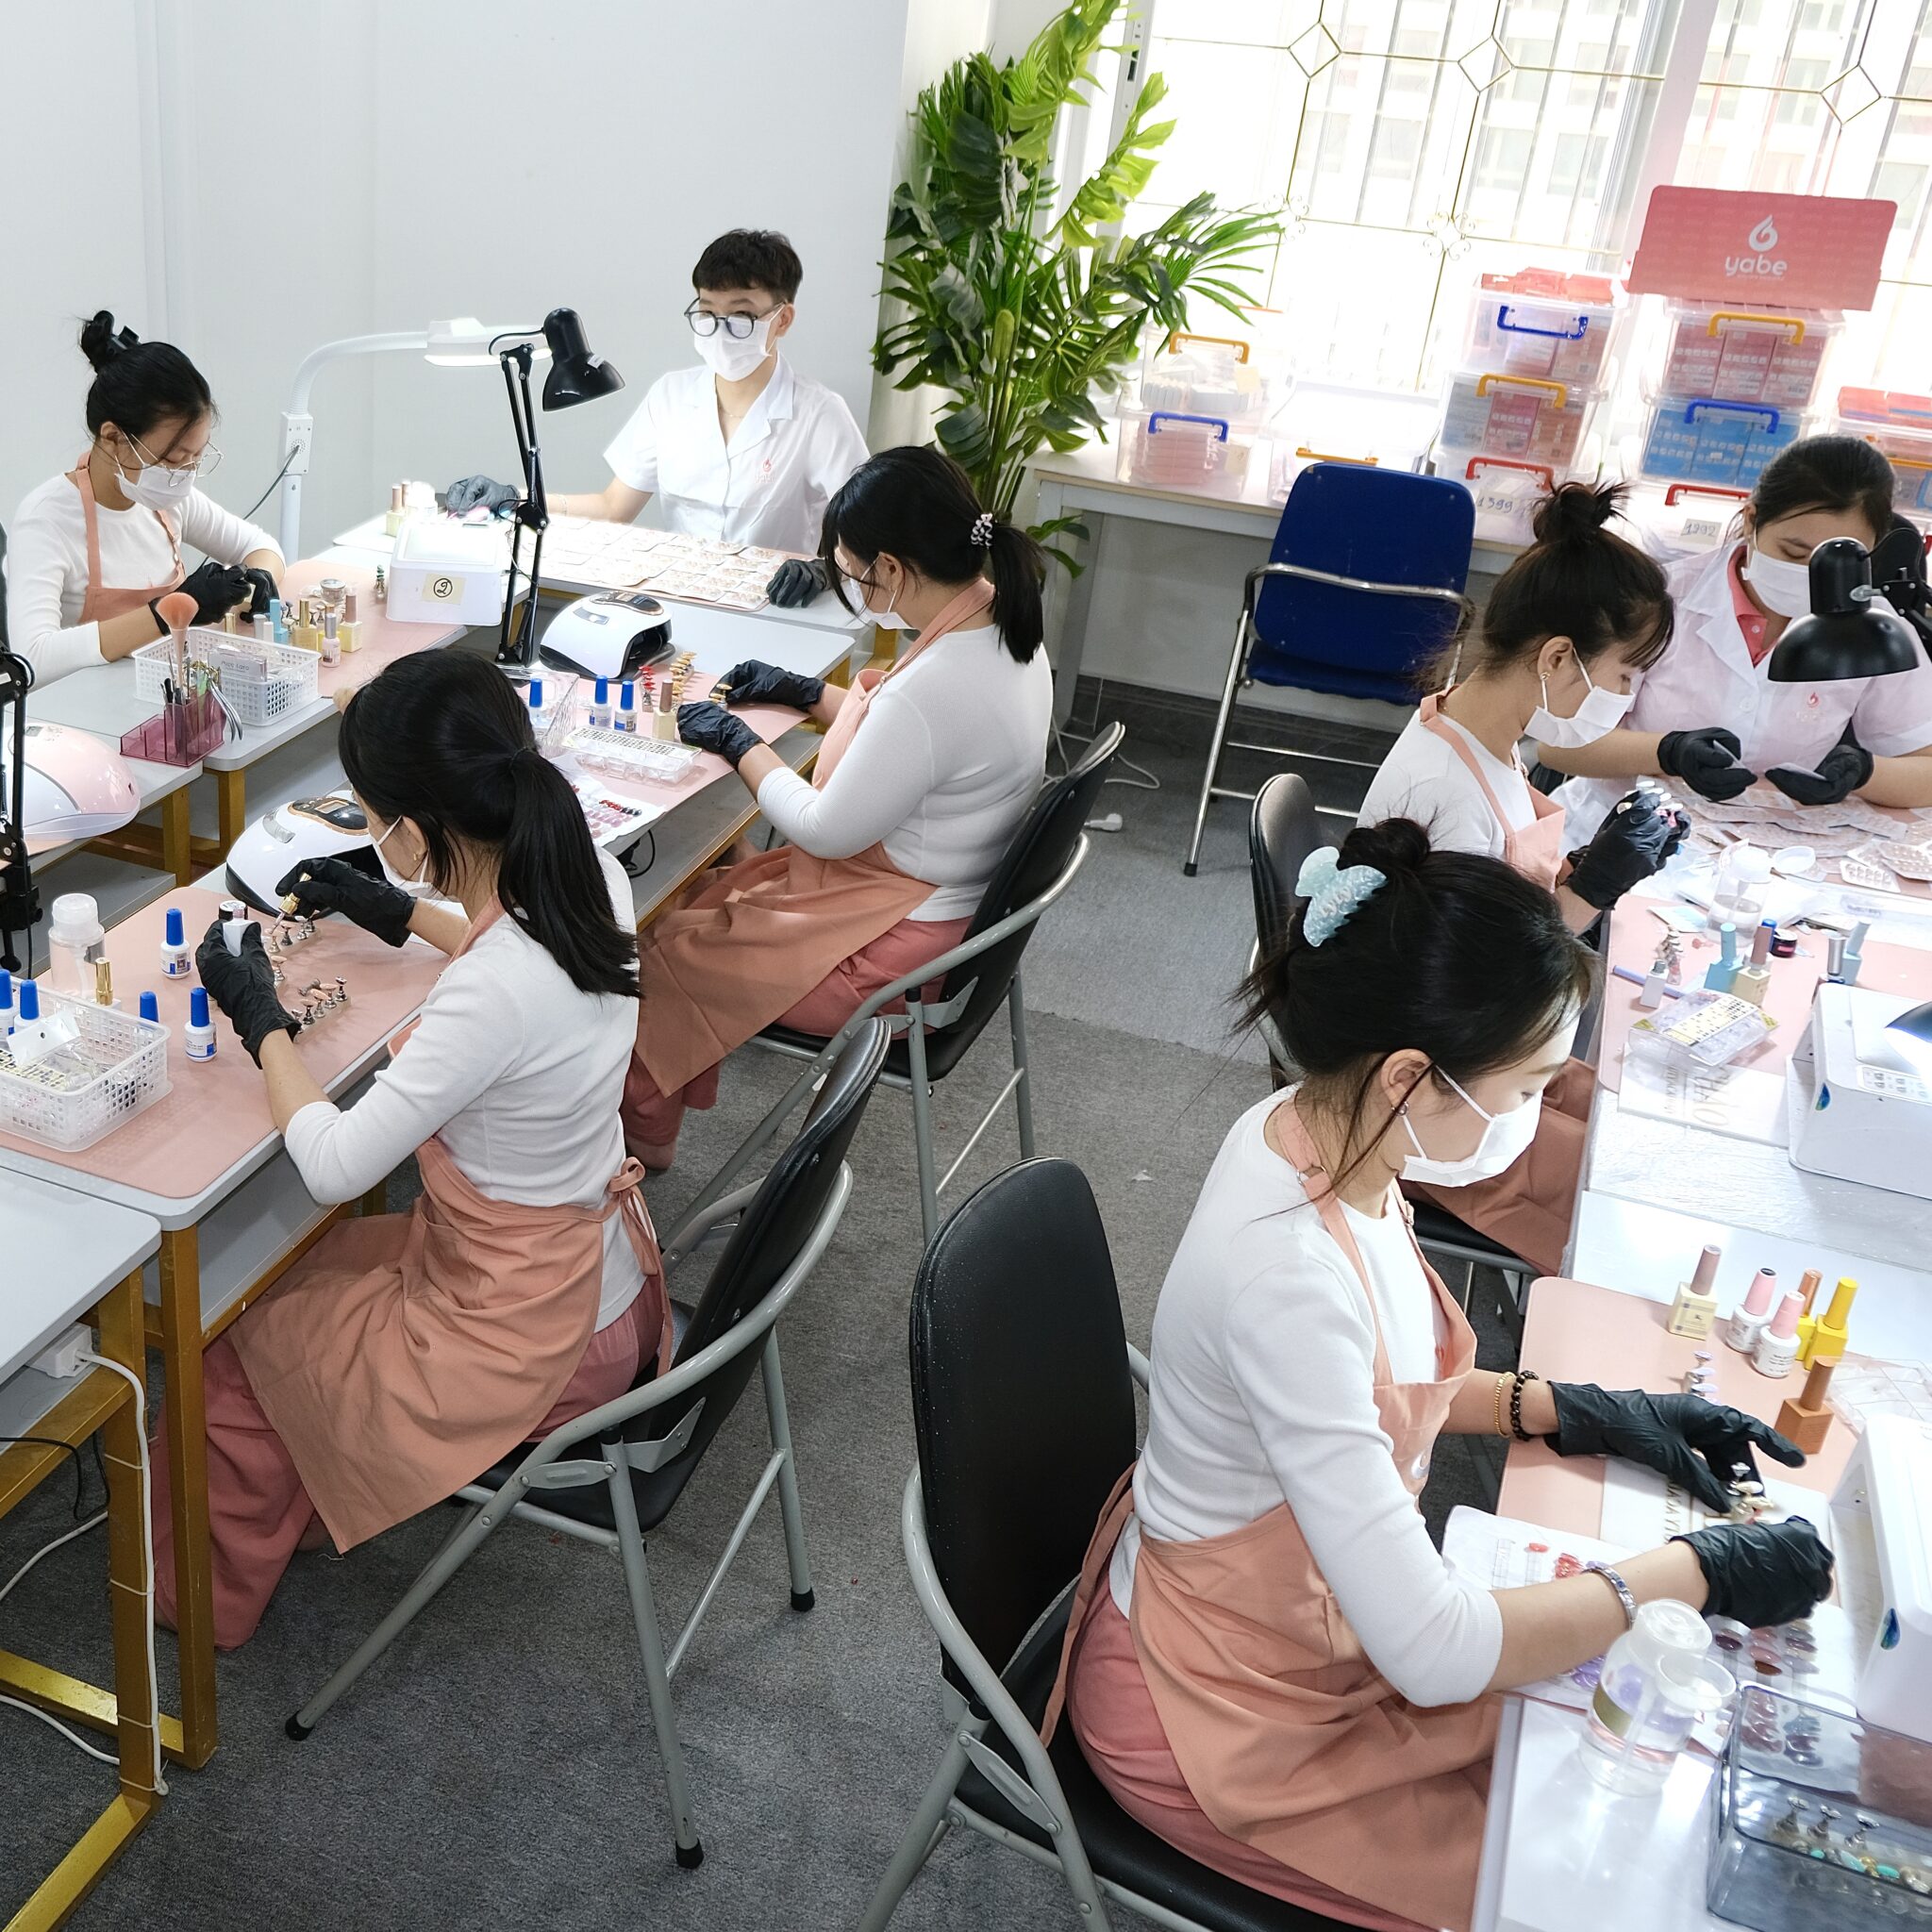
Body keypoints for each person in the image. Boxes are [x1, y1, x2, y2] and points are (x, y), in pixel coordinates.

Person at [1045, 822, 1835, 1932]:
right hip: (1218, 1716)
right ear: (1410, 1075)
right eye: (1524, 1087)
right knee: (1577, 1886)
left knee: (1569, 1761)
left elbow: (1375, 1387)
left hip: (1310, 1629)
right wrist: (1692, 1571)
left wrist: (1575, 1406)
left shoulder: (1321, 1134)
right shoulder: (1285, 1268)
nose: (1532, 1114)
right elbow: (1434, 1651)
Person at [156, 653, 669, 1649]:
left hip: (529, 1342)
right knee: (290, 1281)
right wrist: (394, 910)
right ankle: (305, 1487)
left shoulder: (494, 990)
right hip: (603, 1282)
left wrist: (260, 1019)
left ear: (412, 831)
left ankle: (197, 1611)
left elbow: (335, 1165)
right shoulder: (589, 874)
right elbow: (509, 954)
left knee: (224, 1346)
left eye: (367, 812)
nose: (364, 828)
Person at [622, 445, 1053, 1167]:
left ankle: (642, 1139)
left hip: (892, 961)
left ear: (892, 568)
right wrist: (806, 693)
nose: (851, 581)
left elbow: (822, 829)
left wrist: (737, 742)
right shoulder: (1000, 624)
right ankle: (654, 1105)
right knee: (695, 902)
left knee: (661, 955)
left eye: (852, 569)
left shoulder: (939, 686)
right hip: (946, 918)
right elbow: (913, 743)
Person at [1357, 481, 1690, 1274]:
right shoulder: (1444, 791)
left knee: (1640, 1122)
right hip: (1439, 1101)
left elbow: (1498, 897)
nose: (1627, 700)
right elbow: (1483, 987)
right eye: (1624, 677)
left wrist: (1584, 868)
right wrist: (1591, 894)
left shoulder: (1480, 731)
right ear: (1556, 658)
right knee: (1634, 1196)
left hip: (1483, 1056)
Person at [444, 230, 868, 608]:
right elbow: (613, 508)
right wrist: (515, 498)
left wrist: (823, 569)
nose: (720, 331)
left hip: (778, 611)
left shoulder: (819, 414)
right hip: (677, 604)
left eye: (741, 316)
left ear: (782, 319)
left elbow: (869, 535)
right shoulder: (671, 396)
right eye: (707, 313)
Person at [1546, 436, 1932, 828]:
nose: (1808, 574)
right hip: (1618, 829)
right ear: (1751, 520)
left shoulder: (1876, 631)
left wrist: (1862, 773)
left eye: (1835, 561)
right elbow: (1558, 744)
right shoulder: (1657, 598)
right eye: (1793, 552)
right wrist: (1667, 752)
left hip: (1778, 843)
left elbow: (1927, 771)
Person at [7, 311, 282, 684]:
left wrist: (259, 578)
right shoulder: (46, 520)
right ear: (113, 438)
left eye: (195, 459)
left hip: (166, 691)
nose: (183, 475)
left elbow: (259, 545)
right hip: (85, 707)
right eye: (172, 458)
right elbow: (31, 660)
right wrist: (166, 612)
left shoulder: (170, 501)